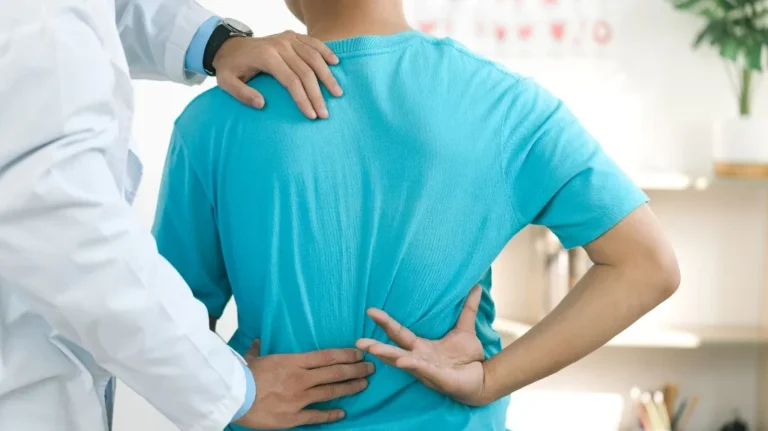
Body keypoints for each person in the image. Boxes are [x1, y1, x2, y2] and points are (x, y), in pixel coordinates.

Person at [153, 0, 681, 429]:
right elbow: (648, 266)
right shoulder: (508, 105)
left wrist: (234, 392)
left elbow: (166, 321)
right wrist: (489, 379)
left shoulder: (215, 119)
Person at [0, 1, 377, 430]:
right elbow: (64, 226)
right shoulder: (472, 92)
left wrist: (215, 42)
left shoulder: (216, 121)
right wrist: (229, 388)